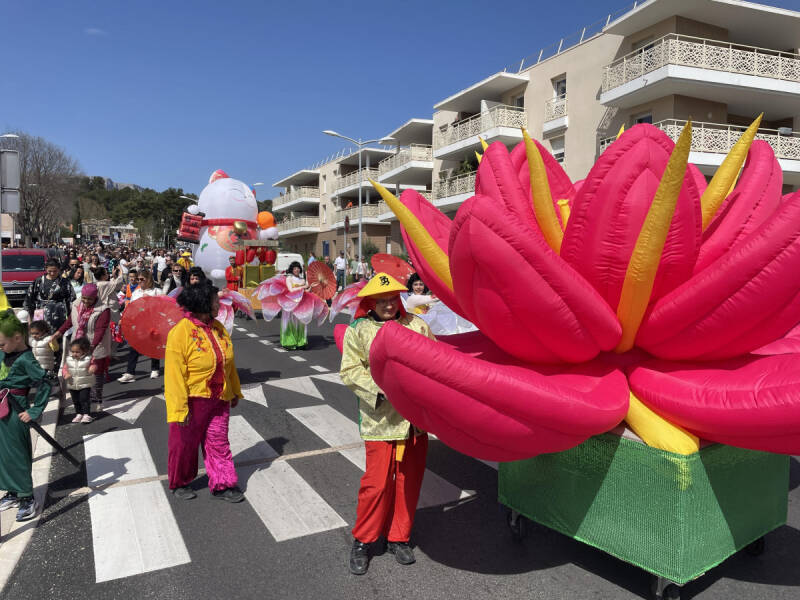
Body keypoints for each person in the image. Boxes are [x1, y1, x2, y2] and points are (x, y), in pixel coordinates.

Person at [340, 272, 436, 575]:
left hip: (414, 422)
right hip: (380, 421)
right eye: (381, 300)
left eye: (392, 299)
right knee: (376, 484)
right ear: (371, 302)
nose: (388, 305)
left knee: (409, 482)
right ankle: (363, 541)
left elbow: (436, 361)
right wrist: (382, 389)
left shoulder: (417, 325)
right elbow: (349, 370)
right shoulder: (359, 330)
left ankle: (399, 537)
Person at [165, 281, 244, 502]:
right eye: (215, 301)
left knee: (219, 442)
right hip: (192, 401)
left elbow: (229, 363)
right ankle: (180, 482)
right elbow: (174, 376)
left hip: (219, 399)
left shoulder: (218, 328)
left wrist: (234, 390)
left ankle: (223, 484)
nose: (219, 304)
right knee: (184, 445)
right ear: (202, 304)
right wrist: (179, 409)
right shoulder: (180, 333)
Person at [0, 310, 52, 522]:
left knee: (18, 454)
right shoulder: (4, 353)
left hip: (16, 409)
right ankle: (12, 491)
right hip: (1, 408)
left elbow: (45, 382)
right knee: (4, 454)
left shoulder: (26, 359)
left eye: (2, 344)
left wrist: (34, 410)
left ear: (17, 338)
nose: (0, 348)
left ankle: (27, 497)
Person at [54, 283, 111, 408]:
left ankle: (96, 399)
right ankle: (83, 400)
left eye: (90, 299)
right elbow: (70, 321)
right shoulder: (76, 304)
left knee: (96, 373)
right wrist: (59, 332)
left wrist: (92, 346)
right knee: (79, 371)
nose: (86, 301)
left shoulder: (103, 309)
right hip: (77, 344)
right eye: (84, 298)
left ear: (95, 297)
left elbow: (100, 330)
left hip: (96, 345)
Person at [118, 271, 162, 382]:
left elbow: (163, 306)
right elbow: (131, 308)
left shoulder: (156, 291)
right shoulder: (136, 293)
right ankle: (130, 372)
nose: (139, 281)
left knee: (153, 346)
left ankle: (155, 368)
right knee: (134, 347)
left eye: (142, 279)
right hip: (139, 323)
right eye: (138, 279)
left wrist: (151, 299)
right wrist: (125, 318)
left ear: (149, 279)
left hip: (153, 322)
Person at [24, 259, 76, 336]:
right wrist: (29, 316)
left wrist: (70, 315)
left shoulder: (64, 282)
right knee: (40, 335)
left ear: (59, 269)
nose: (52, 273)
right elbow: (29, 298)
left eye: (55, 271)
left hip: (58, 314)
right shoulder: (39, 281)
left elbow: (71, 299)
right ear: (46, 269)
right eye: (50, 271)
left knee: (56, 337)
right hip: (40, 312)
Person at [64, 337, 95, 423]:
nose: (74, 354)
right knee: (75, 400)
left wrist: (93, 367)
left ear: (84, 351)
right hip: (72, 384)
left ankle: (86, 414)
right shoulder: (69, 359)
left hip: (85, 383)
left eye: (77, 352)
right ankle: (79, 413)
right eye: (73, 351)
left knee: (84, 399)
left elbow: (94, 364)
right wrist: (66, 374)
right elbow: (65, 368)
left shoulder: (88, 358)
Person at [282, 261, 311, 350]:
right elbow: (291, 290)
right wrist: (303, 287)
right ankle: (290, 342)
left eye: (298, 268)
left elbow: (306, 291)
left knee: (301, 323)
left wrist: (310, 286)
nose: (296, 270)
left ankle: (301, 342)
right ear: (292, 270)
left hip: (301, 304)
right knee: (291, 322)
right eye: (294, 268)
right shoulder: (289, 278)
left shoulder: (303, 280)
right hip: (291, 304)